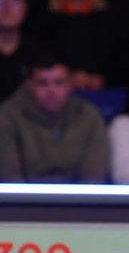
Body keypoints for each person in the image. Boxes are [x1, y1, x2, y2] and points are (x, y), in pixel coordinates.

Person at [0, 53, 109, 182]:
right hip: (23, 194)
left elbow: (94, 178)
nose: (51, 91)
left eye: (59, 83)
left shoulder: (89, 116)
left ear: (71, 84)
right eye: (43, 83)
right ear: (30, 85)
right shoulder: (8, 116)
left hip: (78, 194)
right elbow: (10, 179)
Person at [0, 0, 46, 101]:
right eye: (0, 1)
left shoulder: (40, 56)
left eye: (15, 1)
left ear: (25, 9)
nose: (7, 8)